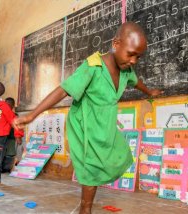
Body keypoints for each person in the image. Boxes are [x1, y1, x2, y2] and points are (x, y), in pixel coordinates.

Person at [13, 22, 162, 214]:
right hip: (85, 122)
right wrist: (32, 115)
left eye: (138, 57)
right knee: (90, 166)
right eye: (131, 53)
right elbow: (63, 90)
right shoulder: (93, 66)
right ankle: (85, 208)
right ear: (116, 44)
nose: (134, 60)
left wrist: (149, 92)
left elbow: (136, 81)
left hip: (105, 122)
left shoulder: (126, 69)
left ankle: (88, 198)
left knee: (120, 156)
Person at [1, 97, 23, 172]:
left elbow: (18, 127)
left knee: (10, 153)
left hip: (11, 138)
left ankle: (7, 168)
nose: (7, 107)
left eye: (9, 105)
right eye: (6, 105)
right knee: (1, 153)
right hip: (2, 137)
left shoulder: (15, 115)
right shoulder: (1, 115)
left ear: (13, 106)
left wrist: (18, 137)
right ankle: (1, 168)